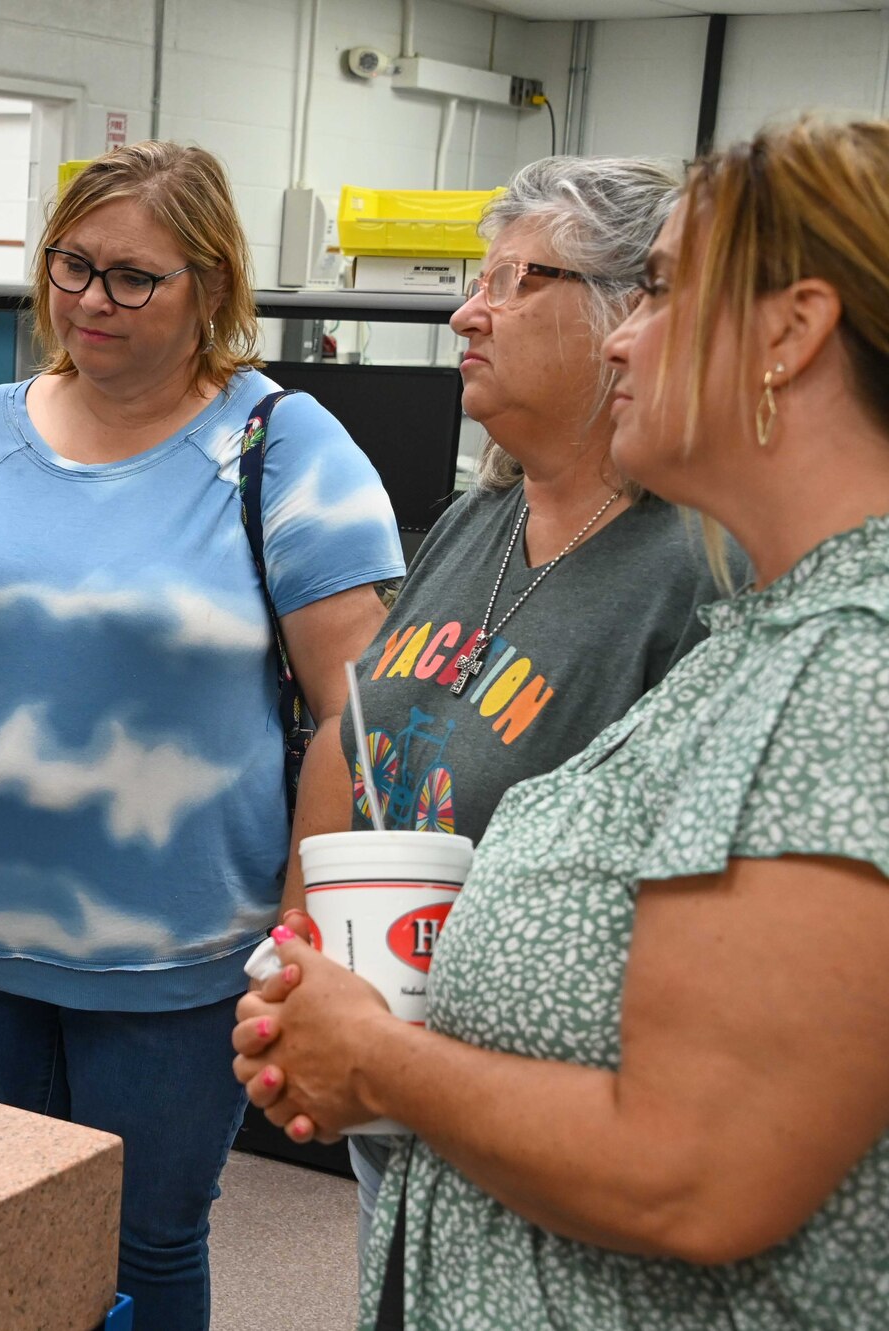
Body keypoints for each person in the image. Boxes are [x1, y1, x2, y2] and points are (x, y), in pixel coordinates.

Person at [235, 116, 889, 1330]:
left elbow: (694, 1171)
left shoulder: (848, 664)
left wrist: (380, 1061)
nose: (626, 336)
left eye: (655, 290)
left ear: (790, 334)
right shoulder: (783, 630)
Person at [0, 141, 405, 1330]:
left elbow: (357, 710)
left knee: (142, 1249)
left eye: (133, 277)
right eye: (71, 265)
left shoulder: (278, 450)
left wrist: (301, 932)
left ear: (209, 287)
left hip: (178, 960)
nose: (90, 299)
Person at [279, 156, 735, 1251]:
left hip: (545, 1113)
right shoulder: (471, 522)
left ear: (627, 314)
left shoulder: (695, 566)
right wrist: (299, 954)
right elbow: (352, 729)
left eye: (514, 282)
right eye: (474, 280)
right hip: (396, 1066)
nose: (464, 313)